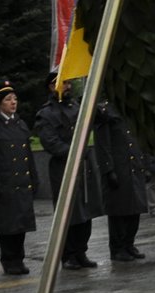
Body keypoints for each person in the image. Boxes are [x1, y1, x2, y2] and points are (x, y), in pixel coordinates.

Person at [35, 73, 104, 270]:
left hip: (83, 166)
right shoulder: (46, 113)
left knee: (86, 212)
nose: (68, 86)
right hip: (64, 167)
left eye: (68, 82)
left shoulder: (76, 106)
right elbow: (49, 141)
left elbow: (95, 119)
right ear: (51, 86)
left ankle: (81, 251)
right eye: (64, 83)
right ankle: (68, 255)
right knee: (69, 214)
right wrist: (73, 152)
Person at [0, 80, 38, 276]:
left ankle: (19, 258)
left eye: (15, 99)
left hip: (21, 183)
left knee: (21, 224)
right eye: (8, 99)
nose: (13, 103)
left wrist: (34, 178)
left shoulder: (20, 124)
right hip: (4, 183)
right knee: (7, 225)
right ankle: (9, 260)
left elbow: (28, 154)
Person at [95, 102, 149, 262]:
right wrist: (108, 169)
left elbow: (141, 139)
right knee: (119, 210)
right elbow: (102, 142)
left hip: (134, 166)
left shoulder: (132, 109)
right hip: (119, 167)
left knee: (135, 209)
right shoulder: (104, 111)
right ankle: (117, 248)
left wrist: (146, 165)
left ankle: (129, 244)